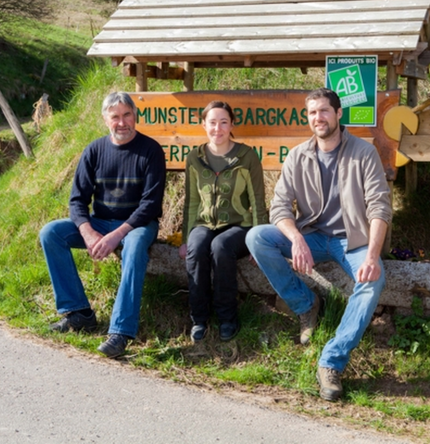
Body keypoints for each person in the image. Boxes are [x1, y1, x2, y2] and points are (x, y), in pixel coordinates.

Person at [246, 87, 392, 402]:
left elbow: (380, 208)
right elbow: (279, 208)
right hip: (312, 236)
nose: (318, 118)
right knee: (256, 237)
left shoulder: (363, 153)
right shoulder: (298, 155)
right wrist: (296, 238)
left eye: (324, 111)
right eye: (312, 112)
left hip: (352, 241)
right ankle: (306, 305)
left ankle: (331, 361)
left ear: (338, 114)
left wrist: (371, 255)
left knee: (374, 278)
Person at [39, 92, 166, 358]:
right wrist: (88, 231)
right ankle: (79, 313)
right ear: (106, 120)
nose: (122, 122)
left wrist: (115, 236)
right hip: (99, 221)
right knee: (51, 233)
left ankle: (121, 331)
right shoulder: (94, 150)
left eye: (127, 115)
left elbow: (150, 206)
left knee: (133, 247)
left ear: (135, 115)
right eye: (115, 117)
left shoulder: (151, 150)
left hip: (137, 225)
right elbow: (77, 201)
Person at [179, 101, 268, 343]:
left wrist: (259, 241)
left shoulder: (246, 156)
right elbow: (192, 201)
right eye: (212, 122)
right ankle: (199, 318)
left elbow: (258, 200)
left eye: (224, 122)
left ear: (231, 125)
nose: (217, 128)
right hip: (204, 223)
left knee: (220, 247)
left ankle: (227, 318)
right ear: (204, 125)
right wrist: (186, 238)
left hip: (239, 225)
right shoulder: (194, 158)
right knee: (197, 249)